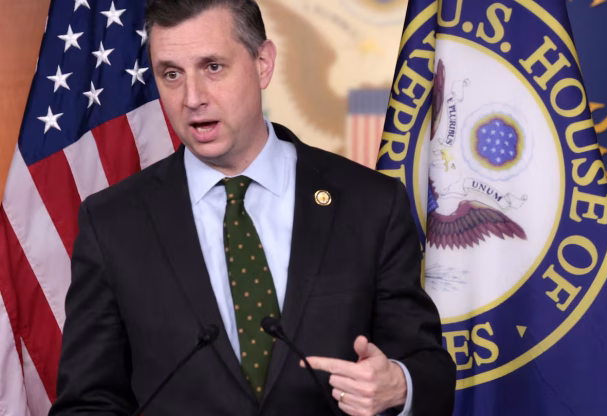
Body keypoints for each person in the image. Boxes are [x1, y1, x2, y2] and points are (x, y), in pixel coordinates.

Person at [50, 0, 455, 415]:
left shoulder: (369, 204)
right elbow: (88, 402)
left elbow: (430, 370)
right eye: (171, 74)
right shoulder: (112, 223)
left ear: (263, 64)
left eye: (213, 67)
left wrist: (398, 385)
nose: (192, 98)